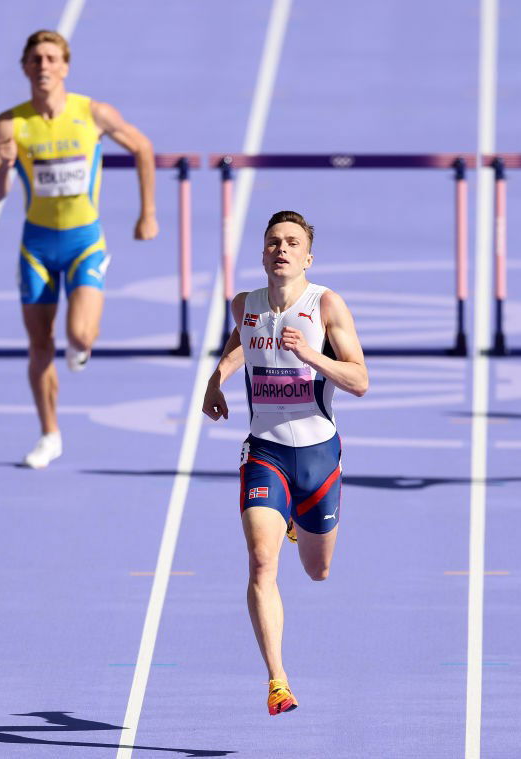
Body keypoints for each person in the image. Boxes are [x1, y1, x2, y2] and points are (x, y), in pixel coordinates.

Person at [202, 211, 368, 715]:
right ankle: (278, 680)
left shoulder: (326, 305)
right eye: (274, 242)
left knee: (317, 571)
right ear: (263, 253)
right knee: (260, 561)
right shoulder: (244, 305)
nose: (282, 249)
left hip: (318, 455)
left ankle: (299, 520)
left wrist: (312, 357)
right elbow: (242, 342)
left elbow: (359, 380)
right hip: (265, 451)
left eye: (292, 243)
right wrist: (217, 378)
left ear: (307, 257)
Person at [0, 30, 158, 469]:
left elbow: (143, 147)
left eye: (51, 58)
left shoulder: (93, 112)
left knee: (79, 336)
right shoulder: (11, 123)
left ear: (64, 66)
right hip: (37, 247)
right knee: (39, 345)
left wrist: (148, 213)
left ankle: (80, 347)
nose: (43, 65)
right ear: (24, 67)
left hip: (84, 241)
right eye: (35, 59)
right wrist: (3, 164)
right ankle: (49, 434)